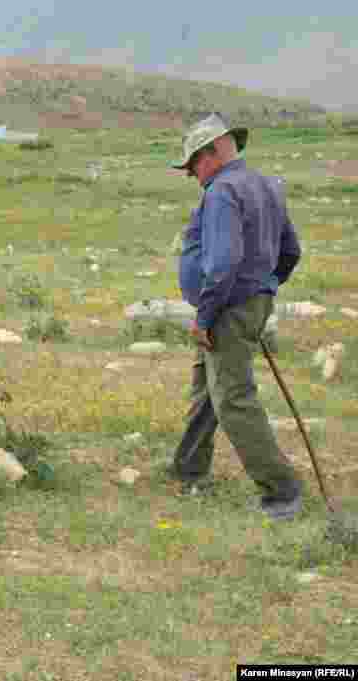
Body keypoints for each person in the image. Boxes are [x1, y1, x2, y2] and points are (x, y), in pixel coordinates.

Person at [169, 112, 304, 521]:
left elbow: (223, 264)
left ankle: (282, 492)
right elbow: (291, 251)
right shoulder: (266, 185)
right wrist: (266, 287)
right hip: (245, 303)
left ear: (211, 153)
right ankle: (188, 469)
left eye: (193, 164)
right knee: (207, 388)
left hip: (226, 309)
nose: (193, 174)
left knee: (232, 397)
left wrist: (207, 317)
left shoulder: (222, 191)